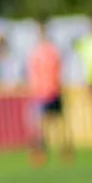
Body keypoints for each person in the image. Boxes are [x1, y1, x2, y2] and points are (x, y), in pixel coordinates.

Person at [27, 36, 71, 168]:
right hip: (41, 94)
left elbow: (59, 71)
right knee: (42, 125)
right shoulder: (37, 53)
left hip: (50, 92)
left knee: (55, 124)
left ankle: (62, 151)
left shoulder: (50, 52)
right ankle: (42, 153)